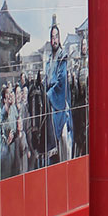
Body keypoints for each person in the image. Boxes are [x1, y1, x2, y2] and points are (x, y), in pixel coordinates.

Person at [44, 21, 73, 164]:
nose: (54, 40)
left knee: (63, 138)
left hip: (59, 105)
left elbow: (61, 82)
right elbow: (46, 80)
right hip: (50, 106)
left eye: (56, 37)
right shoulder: (49, 61)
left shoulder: (63, 57)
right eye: (52, 37)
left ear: (59, 38)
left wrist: (49, 94)